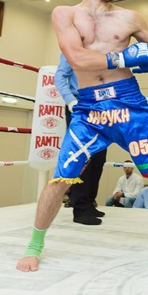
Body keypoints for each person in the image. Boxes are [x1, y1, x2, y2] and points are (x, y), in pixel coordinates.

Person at [17, 0, 148, 273]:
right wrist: (125, 57)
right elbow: (77, 58)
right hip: (88, 108)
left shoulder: (130, 18)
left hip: (128, 101)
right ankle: (34, 246)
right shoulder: (65, 14)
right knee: (61, 177)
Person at [55, 52, 107, 225]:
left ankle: (89, 202)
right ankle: (80, 208)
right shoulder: (72, 47)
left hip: (101, 104)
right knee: (82, 155)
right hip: (80, 103)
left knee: (99, 156)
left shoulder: (102, 48)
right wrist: (70, 101)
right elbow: (60, 76)